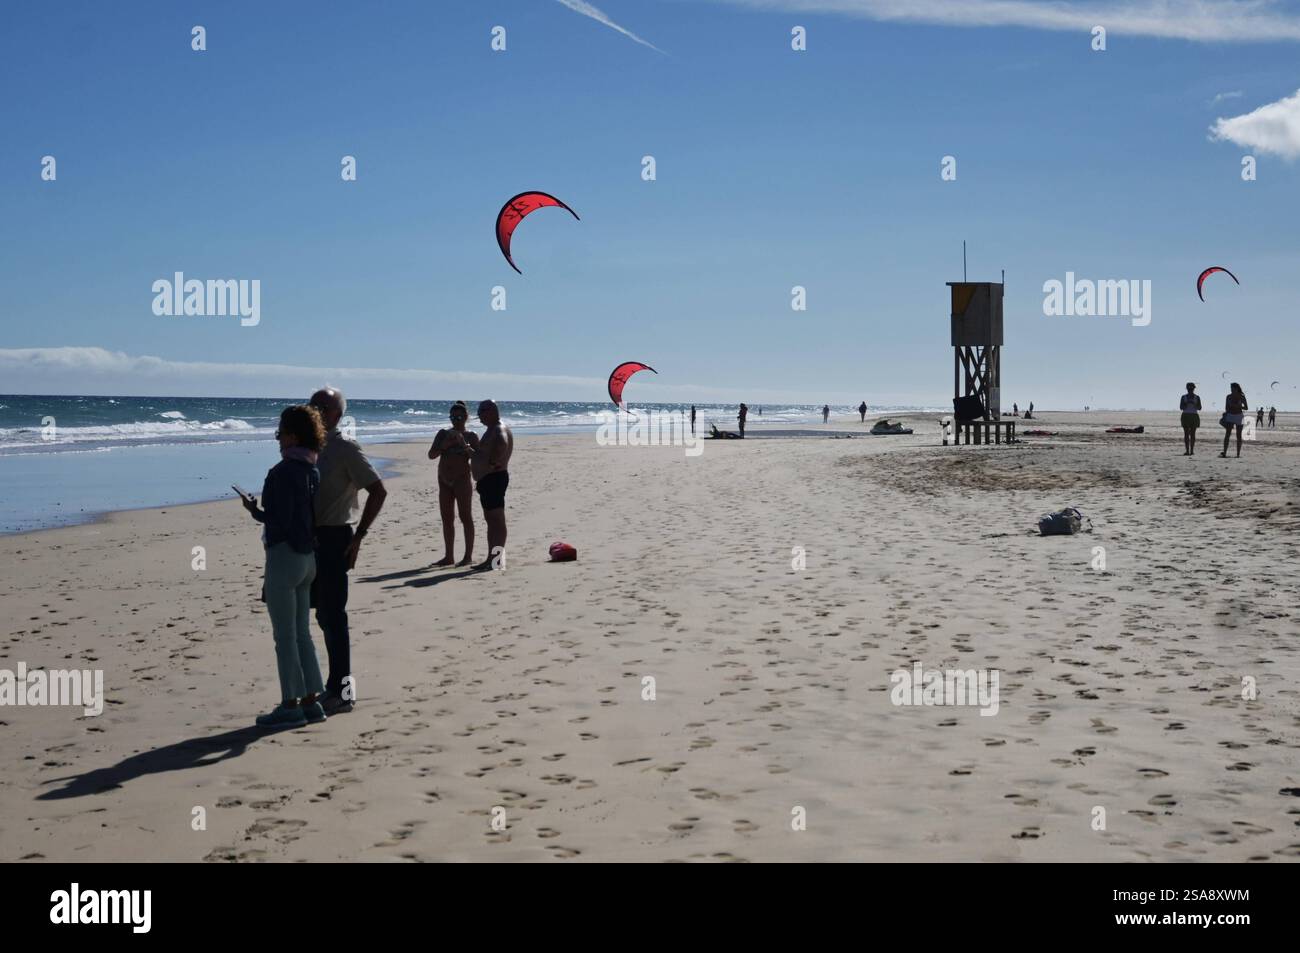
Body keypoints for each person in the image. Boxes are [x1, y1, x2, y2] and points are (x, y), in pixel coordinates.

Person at [240, 405, 327, 728]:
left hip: (284, 556)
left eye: (280, 433)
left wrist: (255, 511)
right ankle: (311, 700)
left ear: (292, 435)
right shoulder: (312, 469)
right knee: (302, 632)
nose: (278, 439)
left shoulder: (281, 472)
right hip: (308, 558)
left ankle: (290, 704)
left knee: (284, 636)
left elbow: (277, 521)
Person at [309, 387, 387, 715]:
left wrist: (359, 536)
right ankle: (324, 686)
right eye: (311, 404)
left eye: (321, 406)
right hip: (306, 540)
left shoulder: (344, 448)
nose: (314, 410)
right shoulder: (305, 446)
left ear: (336, 416)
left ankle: (342, 691)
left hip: (334, 538)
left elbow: (378, 491)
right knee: (321, 615)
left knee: (334, 616)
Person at [428, 401, 479, 567]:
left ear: (466, 418)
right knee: (447, 518)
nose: (455, 420)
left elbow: (477, 459)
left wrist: (464, 445)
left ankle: (467, 556)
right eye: (452, 417)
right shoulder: (443, 434)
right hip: (444, 480)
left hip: (462, 480)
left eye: (459, 417)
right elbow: (431, 455)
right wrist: (445, 445)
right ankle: (448, 556)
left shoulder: (471, 435)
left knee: (466, 517)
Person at [468, 399, 513, 571]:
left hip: (494, 479)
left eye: (481, 413)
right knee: (492, 520)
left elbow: (501, 443)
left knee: (496, 520)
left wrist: (493, 464)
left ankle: (496, 560)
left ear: (491, 411)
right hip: (490, 479)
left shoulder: (498, 429)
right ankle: (492, 558)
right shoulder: (493, 429)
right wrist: (472, 451)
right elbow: (484, 454)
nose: (479, 417)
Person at [1220, 382, 1248, 458]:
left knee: (1238, 435)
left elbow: (1246, 407)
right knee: (1227, 434)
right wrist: (1229, 409)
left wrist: (1239, 406)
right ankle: (1224, 452)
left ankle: (1238, 454)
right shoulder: (1228, 397)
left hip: (1239, 416)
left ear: (1236, 388)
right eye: (1231, 388)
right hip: (1230, 415)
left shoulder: (1241, 396)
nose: (1231, 390)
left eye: (1232, 388)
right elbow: (1226, 408)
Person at [1179, 382, 1201, 455]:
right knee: (1186, 434)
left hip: (1194, 415)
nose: (1190, 390)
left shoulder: (1197, 397)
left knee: (1192, 434)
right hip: (1186, 415)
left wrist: (1194, 404)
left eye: (1191, 389)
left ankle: (1191, 450)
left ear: (1194, 389)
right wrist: (1187, 403)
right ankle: (1187, 450)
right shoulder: (1183, 397)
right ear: (1187, 389)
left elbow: (1200, 407)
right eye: (1189, 389)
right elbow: (1181, 407)